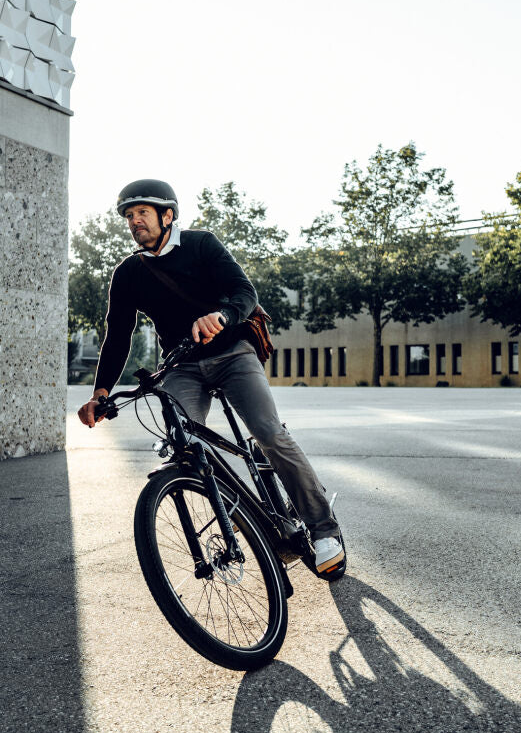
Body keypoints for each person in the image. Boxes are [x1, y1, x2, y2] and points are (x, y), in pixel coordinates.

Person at [77, 178, 345, 575]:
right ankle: (256, 527)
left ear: (167, 216)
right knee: (181, 445)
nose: (135, 222)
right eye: (129, 216)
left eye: (142, 214)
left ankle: (324, 530)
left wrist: (222, 315)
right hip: (181, 365)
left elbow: (243, 291)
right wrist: (100, 392)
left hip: (233, 352)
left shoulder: (202, 244)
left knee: (269, 433)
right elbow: (117, 335)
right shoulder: (129, 273)